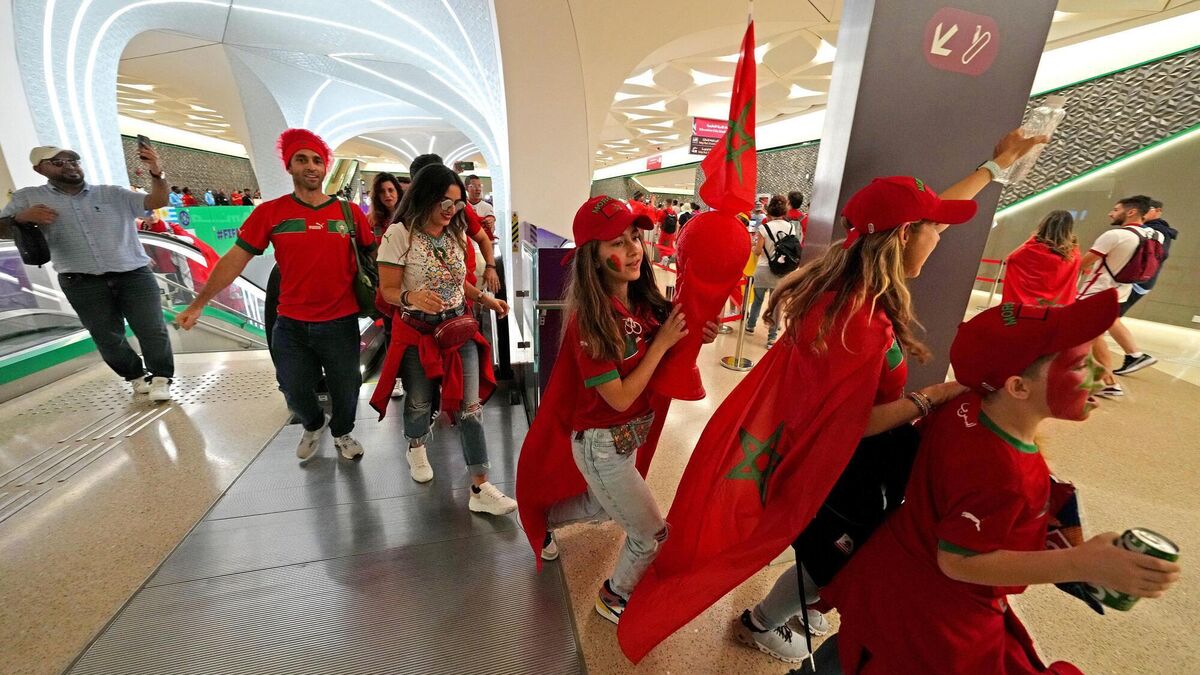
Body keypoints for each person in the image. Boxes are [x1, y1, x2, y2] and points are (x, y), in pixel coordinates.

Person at [615, 129, 1048, 664]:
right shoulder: (856, 321)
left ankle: (793, 613)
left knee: (839, 559)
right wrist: (934, 396)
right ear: (903, 236)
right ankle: (765, 623)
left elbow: (927, 212)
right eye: (931, 230)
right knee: (834, 561)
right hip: (842, 466)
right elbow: (851, 425)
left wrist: (997, 165)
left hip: (848, 461)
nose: (939, 237)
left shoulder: (855, 278)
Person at [823, 289, 1180, 674]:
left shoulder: (967, 404)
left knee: (856, 650)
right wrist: (1078, 563)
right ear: (1018, 387)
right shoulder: (1005, 474)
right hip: (931, 614)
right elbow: (958, 561)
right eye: (1081, 364)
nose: (1104, 375)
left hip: (893, 580)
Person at [515, 195, 719, 625]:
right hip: (602, 445)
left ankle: (541, 517)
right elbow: (620, 397)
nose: (633, 250)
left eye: (634, 238)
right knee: (650, 534)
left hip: (627, 439)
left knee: (598, 508)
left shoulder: (644, 303)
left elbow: (672, 348)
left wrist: (699, 331)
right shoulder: (590, 323)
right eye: (616, 243)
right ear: (593, 256)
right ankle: (614, 596)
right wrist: (662, 344)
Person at [176, 128, 375, 462]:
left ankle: (342, 432)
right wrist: (199, 303)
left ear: (325, 167)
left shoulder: (348, 213)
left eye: (317, 160)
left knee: (347, 388)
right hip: (291, 324)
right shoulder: (271, 212)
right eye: (302, 159)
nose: (311, 166)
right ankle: (313, 423)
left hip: (340, 322)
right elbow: (234, 260)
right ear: (289, 166)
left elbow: (374, 256)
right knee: (293, 388)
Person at [369, 164, 515, 515]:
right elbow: (387, 290)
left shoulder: (456, 233)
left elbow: (457, 280)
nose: (452, 210)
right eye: (445, 202)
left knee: (470, 409)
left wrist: (485, 299)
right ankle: (416, 444)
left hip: (457, 330)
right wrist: (412, 297)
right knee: (420, 401)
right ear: (425, 197)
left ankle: (480, 487)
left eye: (457, 203)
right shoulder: (399, 234)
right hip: (418, 333)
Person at [0, 145, 175, 400]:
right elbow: (2, 228)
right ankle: (136, 377)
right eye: (57, 162)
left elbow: (157, 201)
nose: (69, 165)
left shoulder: (111, 193)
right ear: (39, 169)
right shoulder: (28, 197)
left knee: (152, 329)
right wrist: (21, 218)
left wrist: (156, 172)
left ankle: (161, 378)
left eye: (73, 160)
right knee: (106, 336)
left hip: (133, 275)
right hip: (80, 281)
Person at [1077, 196, 1164, 395]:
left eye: (1116, 210)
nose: (1111, 213)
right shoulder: (1155, 236)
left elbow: (1084, 262)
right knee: (1095, 337)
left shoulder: (1115, 235)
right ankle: (1108, 382)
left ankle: (1104, 381)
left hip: (1096, 292)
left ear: (1131, 212)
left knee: (1083, 337)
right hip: (1120, 293)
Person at [407, 155, 500, 293]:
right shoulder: (404, 224)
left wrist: (490, 267)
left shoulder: (458, 210)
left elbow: (482, 237)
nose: (451, 209)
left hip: (462, 287)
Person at [1000, 210, 1081, 307]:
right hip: (1054, 307)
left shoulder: (1032, 247)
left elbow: (1011, 259)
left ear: (1045, 224)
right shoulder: (1073, 253)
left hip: (1025, 305)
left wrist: (1032, 238)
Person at [745, 195, 794, 348]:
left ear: (770, 211)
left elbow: (758, 251)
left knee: (758, 300)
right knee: (777, 304)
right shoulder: (790, 227)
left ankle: (751, 325)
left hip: (763, 269)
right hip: (782, 270)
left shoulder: (764, 228)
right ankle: (772, 337)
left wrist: (753, 247)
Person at [1120, 198, 1177, 315]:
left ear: (1158, 211)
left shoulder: (1157, 231)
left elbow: (1158, 255)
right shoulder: (1150, 229)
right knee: (1111, 316)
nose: (1144, 212)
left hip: (1136, 279)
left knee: (1110, 316)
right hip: (1139, 279)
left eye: (1148, 209)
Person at [369, 172, 403, 239]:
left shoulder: (409, 217)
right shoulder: (372, 220)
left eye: (391, 190)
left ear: (398, 192)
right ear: (377, 196)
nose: (387, 195)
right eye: (382, 191)